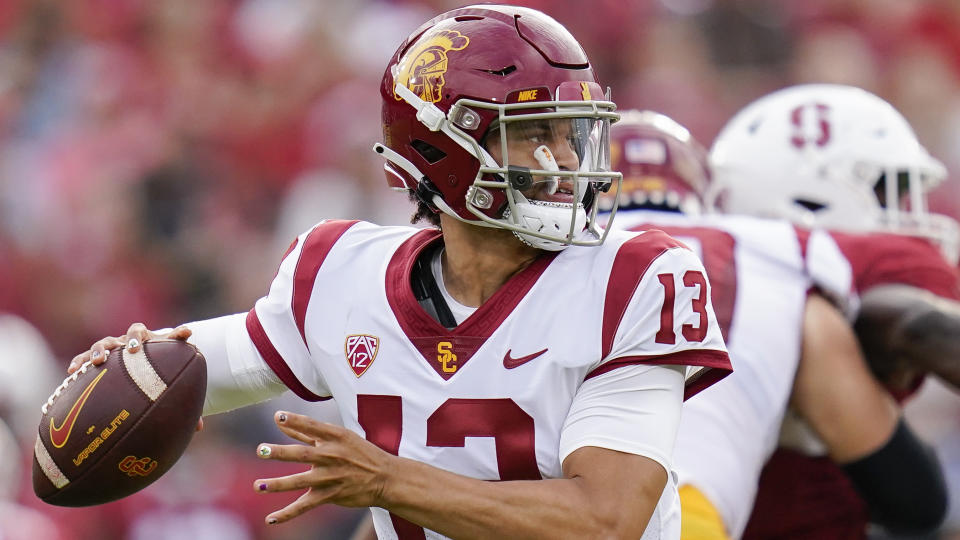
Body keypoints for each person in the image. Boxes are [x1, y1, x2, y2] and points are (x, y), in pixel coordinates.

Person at [65, 6, 731, 539]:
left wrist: (387, 482)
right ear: (444, 147)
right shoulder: (339, 275)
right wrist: (136, 366)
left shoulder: (634, 279)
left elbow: (606, 520)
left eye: (570, 132)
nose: (564, 159)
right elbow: (194, 370)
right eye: (534, 133)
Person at [604, 110, 948, 539]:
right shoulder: (781, 253)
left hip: (540, 511)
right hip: (686, 516)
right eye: (882, 193)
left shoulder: (536, 251)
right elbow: (916, 501)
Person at [706, 83, 960, 538]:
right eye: (888, 194)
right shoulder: (817, 287)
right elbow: (917, 326)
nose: (907, 216)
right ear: (810, 200)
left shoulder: (707, 274)